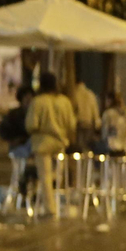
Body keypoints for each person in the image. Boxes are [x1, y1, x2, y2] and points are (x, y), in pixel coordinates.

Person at [25, 72, 76, 216]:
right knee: (59, 175)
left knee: (45, 177)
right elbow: (72, 124)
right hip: (61, 143)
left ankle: (50, 208)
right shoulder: (64, 101)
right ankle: (62, 204)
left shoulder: (38, 101)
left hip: (42, 144)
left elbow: (31, 125)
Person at [71, 79, 102, 151]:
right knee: (87, 146)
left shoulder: (74, 94)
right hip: (89, 123)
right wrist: (97, 124)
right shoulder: (90, 94)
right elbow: (95, 110)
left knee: (78, 147)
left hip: (78, 123)